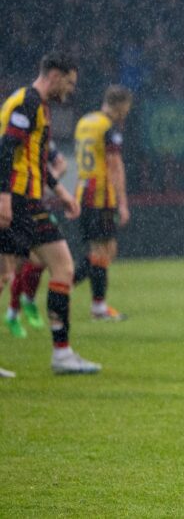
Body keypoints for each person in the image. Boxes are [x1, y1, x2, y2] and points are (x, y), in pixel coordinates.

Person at [0, 50, 101, 374]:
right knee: (8, 274)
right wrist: (3, 198)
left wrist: (61, 192)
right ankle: (62, 353)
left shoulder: (37, 105)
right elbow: (5, 150)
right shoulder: (27, 102)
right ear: (54, 76)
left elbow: (35, 161)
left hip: (30, 200)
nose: (69, 90)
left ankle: (62, 353)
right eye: (69, 83)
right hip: (16, 199)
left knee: (60, 267)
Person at [72, 85, 133, 321]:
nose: (126, 113)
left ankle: (68, 286)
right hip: (100, 195)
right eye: (126, 108)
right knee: (101, 251)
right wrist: (123, 202)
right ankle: (89, 300)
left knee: (106, 250)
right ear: (120, 106)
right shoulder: (108, 127)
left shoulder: (85, 122)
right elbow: (115, 166)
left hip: (83, 192)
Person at [4, 139, 67, 337]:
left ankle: (21, 305)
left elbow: (60, 163)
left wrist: (49, 181)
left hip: (31, 203)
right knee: (14, 267)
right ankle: (14, 312)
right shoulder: (12, 136)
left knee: (37, 261)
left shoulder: (41, 140)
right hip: (12, 203)